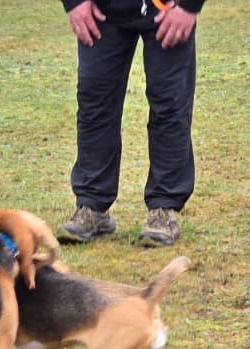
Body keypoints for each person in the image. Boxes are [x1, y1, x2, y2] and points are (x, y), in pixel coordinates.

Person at [57, 0, 203, 247]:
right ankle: (92, 206)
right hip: (102, 10)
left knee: (170, 104)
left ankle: (163, 210)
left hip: (166, 8)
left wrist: (189, 6)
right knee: (94, 102)